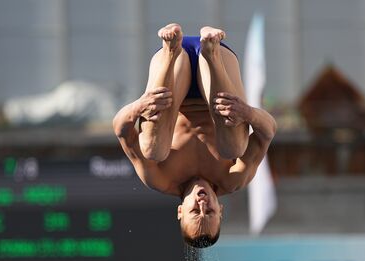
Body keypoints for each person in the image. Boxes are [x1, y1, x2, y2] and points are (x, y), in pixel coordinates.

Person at [113, 24, 276, 248]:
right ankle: (210, 51)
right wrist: (248, 113)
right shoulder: (233, 177)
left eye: (194, 210)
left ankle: (170, 50)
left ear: (180, 211)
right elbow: (268, 132)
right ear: (221, 210)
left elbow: (121, 129)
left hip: (173, 71)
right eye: (209, 210)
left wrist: (139, 106)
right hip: (217, 71)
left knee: (152, 149)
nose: (202, 203)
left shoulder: (160, 179)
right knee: (234, 149)